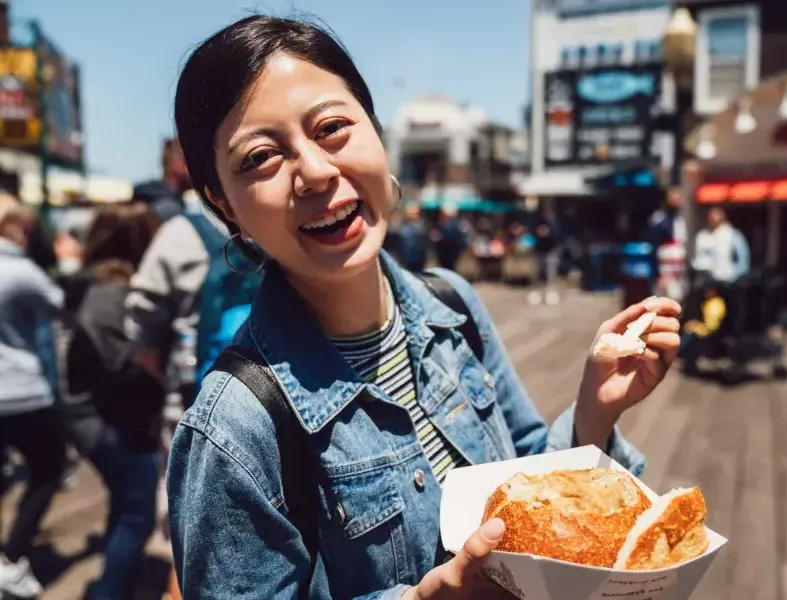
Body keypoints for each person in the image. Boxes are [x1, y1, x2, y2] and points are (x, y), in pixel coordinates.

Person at [166, 15, 682, 600]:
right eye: (260, 158)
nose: (314, 172)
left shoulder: (452, 303)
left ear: (376, 132)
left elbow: (534, 488)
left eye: (332, 127)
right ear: (224, 205)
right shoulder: (233, 428)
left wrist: (593, 411)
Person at [64, 202, 167, 599]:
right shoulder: (114, 293)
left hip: (102, 420)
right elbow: (129, 370)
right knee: (137, 516)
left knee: (125, 508)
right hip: (108, 426)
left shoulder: (100, 286)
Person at [0, 193, 68, 599]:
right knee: (47, 471)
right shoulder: (20, 269)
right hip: (23, 391)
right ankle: (12, 557)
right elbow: (62, 306)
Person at [395, 202, 428, 272]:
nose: (413, 215)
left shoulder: (422, 226)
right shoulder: (402, 226)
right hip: (405, 259)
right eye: (411, 213)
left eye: (415, 213)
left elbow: (425, 243)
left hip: (418, 259)